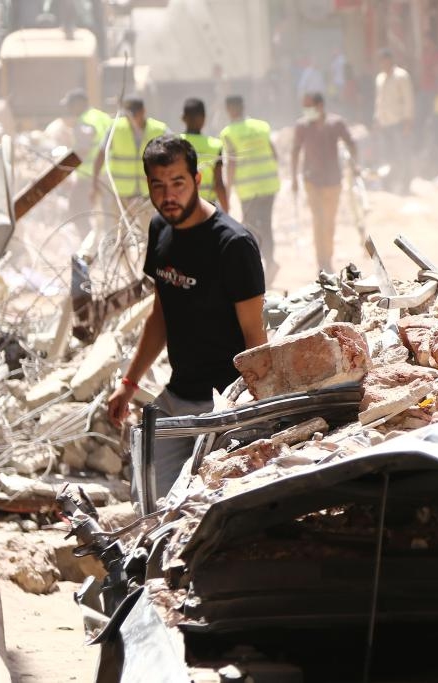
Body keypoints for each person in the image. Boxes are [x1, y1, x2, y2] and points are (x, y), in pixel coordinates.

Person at [107, 135, 267, 499]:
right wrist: (129, 383)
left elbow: (255, 335)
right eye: (158, 185)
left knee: (211, 506)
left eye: (178, 183)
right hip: (177, 399)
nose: (168, 195)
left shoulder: (233, 245)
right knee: (148, 503)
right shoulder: (160, 230)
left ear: (196, 180)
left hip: (223, 407)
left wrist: (255, 413)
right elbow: (161, 314)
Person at [291, 92, 357, 273]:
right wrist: (294, 179)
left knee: (329, 221)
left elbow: (351, 143)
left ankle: (327, 256)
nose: (306, 110)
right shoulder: (302, 126)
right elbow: (295, 151)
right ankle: (322, 261)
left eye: (309, 106)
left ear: (320, 106)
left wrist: (354, 166)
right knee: (318, 220)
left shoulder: (336, 123)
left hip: (333, 181)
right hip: (311, 181)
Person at [220, 95, 281, 284]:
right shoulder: (261, 126)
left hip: (249, 189)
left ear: (229, 109)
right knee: (267, 225)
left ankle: (259, 266)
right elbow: (274, 153)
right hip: (269, 185)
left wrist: (227, 192)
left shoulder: (228, 132)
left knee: (252, 227)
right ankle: (270, 262)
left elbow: (231, 164)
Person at [92, 95, 168, 226]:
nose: (131, 118)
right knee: (119, 234)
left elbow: (174, 153)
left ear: (143, 111)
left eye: (134, 114)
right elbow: (100, 155)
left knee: (150, 233)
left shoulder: (159, 129)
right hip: (122, 195)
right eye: (128, 114)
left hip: (148, 194)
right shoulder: (116, 128)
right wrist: (95, 181)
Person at [50, 89, 111, 238]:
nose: (69, 109)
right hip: (108, 173)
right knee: (107, 214)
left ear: (79, 104)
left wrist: (63, 169)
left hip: (89, 176)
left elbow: (83, 149)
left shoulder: (85, 121)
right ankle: (108, 244)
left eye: (70, 105)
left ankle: (88, 242)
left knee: (76, 208)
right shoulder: (102, 116)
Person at [374, 48, 414, 193]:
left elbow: (408, 99)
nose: (383, 64)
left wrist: (408, 121)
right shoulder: (380, 78)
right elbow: (379, 100)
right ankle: (388, 184)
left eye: (385, 61)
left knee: (403, 154)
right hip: (384, 123)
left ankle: (405, 185)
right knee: (387, 155)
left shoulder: (401, 76)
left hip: (399, 122)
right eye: (381, 62)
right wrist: (377, 119)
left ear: (391, 60)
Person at [178, 98, 228, 211]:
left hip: (182, 208)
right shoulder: (215, 145)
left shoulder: (175, 144)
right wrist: (226, 212)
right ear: (204, 119)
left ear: (183, 118)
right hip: (208, 208)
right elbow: (219, 184)